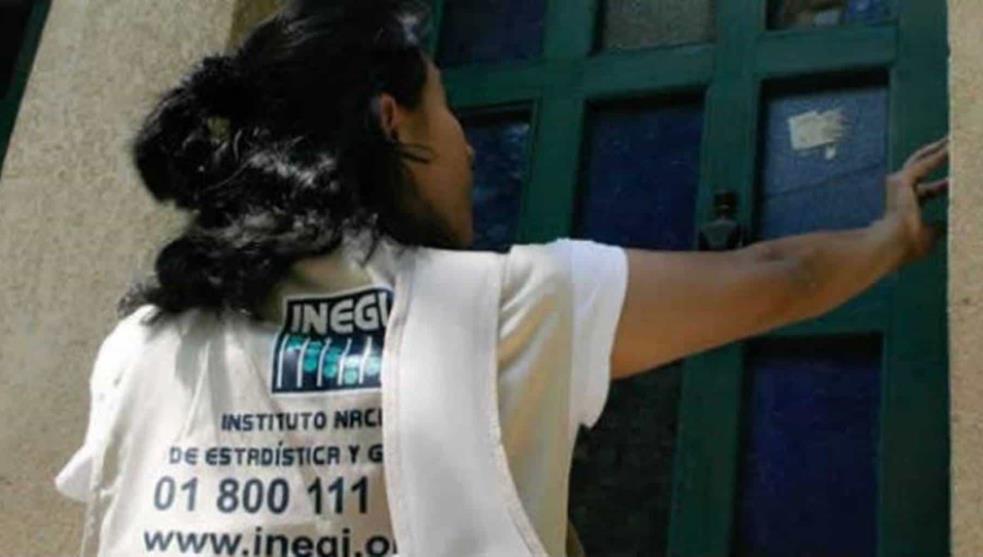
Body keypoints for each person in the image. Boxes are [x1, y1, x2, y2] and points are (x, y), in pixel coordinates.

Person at [52, 0, 950, 555]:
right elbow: (779, 276)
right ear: (390, 118)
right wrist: (889, 235)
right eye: (447, 110)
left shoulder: (138, 348)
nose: (469, 146)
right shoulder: (490, 311)